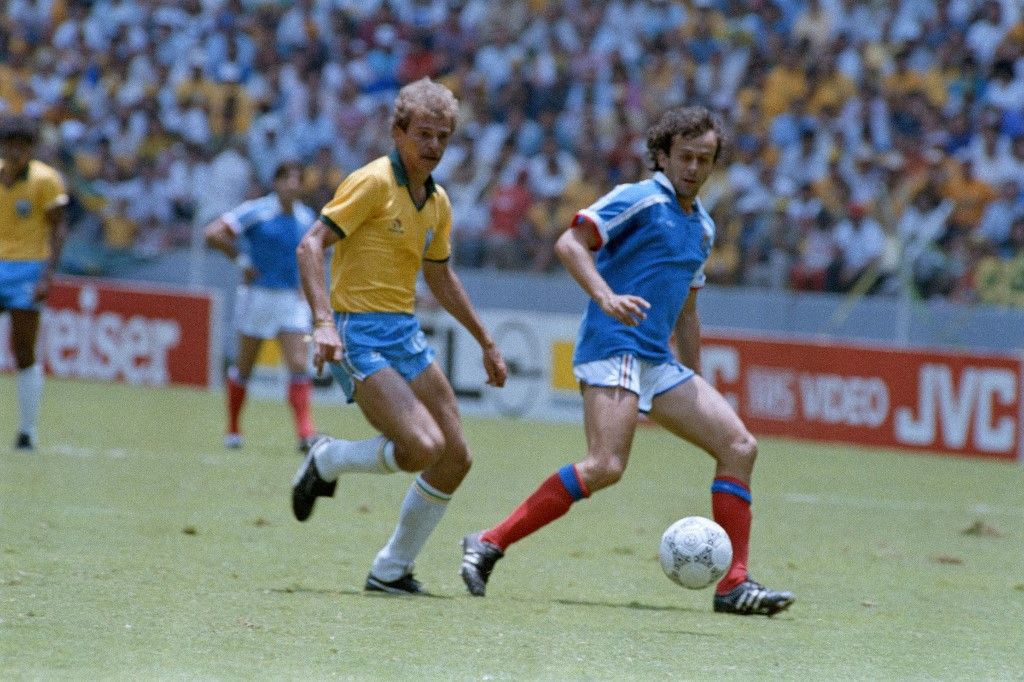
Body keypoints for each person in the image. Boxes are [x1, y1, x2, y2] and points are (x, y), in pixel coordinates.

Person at [459, 106, 795, 616]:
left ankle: (734, 584)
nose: (694, 168)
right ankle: (488, 541)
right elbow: (570, 244)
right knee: (606, 465)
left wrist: (695, 379)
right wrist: (606, 296)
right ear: (661, 156)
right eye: (684, 157)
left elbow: (688, 308)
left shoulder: (702, 226)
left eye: (705, 159)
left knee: (739, 445)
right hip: (613, 346)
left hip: (657, 361)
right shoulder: (639, 199)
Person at [290, 78, 508, 595]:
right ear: (398, 132)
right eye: (423, 135)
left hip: (403, 333)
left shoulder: (438, 203)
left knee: (455, 456)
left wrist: (485, 341)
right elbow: (309, 246)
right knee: (420, 446)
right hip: (356, 332)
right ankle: (328, 458)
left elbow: (440, 275)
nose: (433, 147)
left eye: (442, 138)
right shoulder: (371, 183)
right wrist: (323, 323)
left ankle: (391, 570)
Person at [203, 161, 318, 452]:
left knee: (298, 363)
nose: (293, 184)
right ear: (276, 182)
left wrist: (309, 294)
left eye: (297, 178)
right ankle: (233, 427)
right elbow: (214, 233)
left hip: (291, 299)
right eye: (287, 178)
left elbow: (310, 258)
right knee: (245, 365)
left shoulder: (307, 218)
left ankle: (305, 432)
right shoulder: (257, 210)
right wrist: (242, 261)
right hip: (258, 296)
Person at [0, 114, 68, 451]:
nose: (15, 151)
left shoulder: (46, 180)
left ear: (31, 148)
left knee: (23, 348)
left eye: (22, 145)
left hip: (27, 269)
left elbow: (58, 227)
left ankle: (28, 431)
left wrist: (47, 275)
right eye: (10, 144)